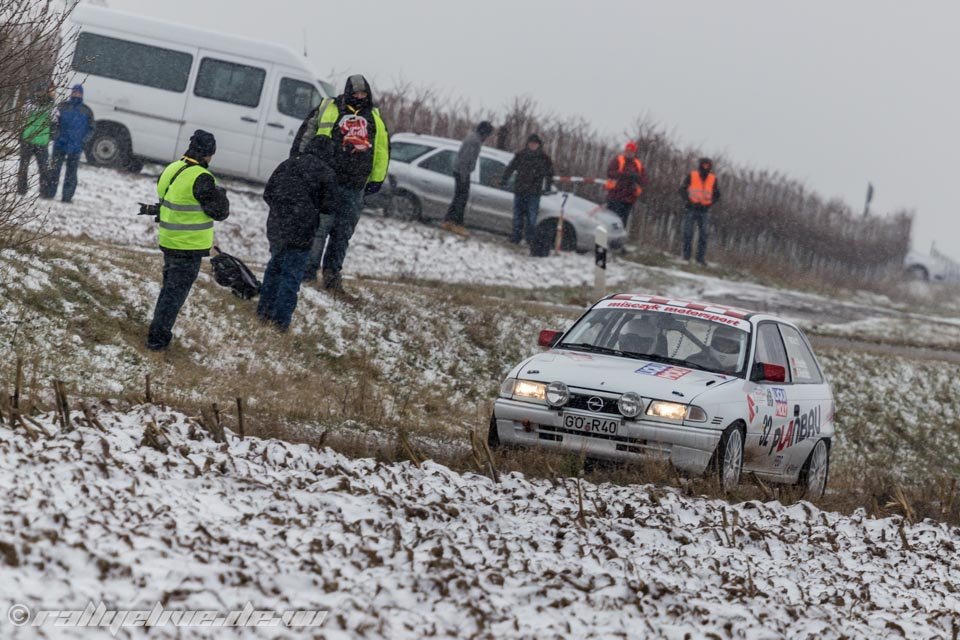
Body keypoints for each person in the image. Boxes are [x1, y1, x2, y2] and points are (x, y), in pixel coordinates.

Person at [293, 74, 390, 294]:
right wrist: (299, 163)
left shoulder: (374, 116)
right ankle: (308, 274)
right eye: (356, 93)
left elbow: (382, 150)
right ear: (347, 92)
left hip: (355, 186)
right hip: (327, 181)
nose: (359, 97)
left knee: (343, 233)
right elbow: (307, 135)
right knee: (320, 229)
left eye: (363, 93)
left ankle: (332, 276)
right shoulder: (329, 107)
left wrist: (377, 179)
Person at [146, 130, 230, 351]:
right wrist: (221, 195)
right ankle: (157, 340)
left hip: (169, 240)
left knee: (169, 290)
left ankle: (157, 332)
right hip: (188, 245)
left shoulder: (172, 168)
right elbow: (220, 212)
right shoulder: (202, 178)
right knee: (174, 295)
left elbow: (166, 200)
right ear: (208, 154)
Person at [258, 137, 336, 330]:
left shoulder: (287, 164)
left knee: (274, 267)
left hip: (277, 226)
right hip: (303, 230)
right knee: (291, 275)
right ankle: (280, 321)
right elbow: (329, 206)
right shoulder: (326, 173)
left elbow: (268, 193)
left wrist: (282, 210)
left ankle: (263, 311)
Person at [441, 121, 494, 237]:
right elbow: (465, 159)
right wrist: (464, 176)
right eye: (488, 134)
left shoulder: (473, 138)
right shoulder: (474, 141)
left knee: (457, 198)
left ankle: (448, 221)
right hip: (462, 173)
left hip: (460, 171)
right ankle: (457, 224)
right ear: (484, 132)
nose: (488, 137)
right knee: (462, 199)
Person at [501, 133, 554, 248]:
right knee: (517, 217)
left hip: (534, 193)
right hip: (520, 190)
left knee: (531, 218)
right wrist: (504, 180)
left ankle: (529, 239)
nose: (532, 145)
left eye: (535, 144)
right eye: (531, 143)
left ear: (539, 145)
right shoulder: (521, 155)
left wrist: (548, 187)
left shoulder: (544, 158)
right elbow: (510, 167)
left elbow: (549, 174)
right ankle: (516, 237)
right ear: (527, 144)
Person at [46, 84, 95, 203]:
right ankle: (49, 193)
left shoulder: (86, 110)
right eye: (74, 92)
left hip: (76, 146)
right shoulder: (62, 106)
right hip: (60, 143)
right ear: (71, 93)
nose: (76, 94)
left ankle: (67, 197)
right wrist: (56, 135)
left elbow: (91, 128)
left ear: (82, 94)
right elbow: (53, 123)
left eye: (79, 92)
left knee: (71, 173)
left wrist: (83, 141)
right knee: (54, 170)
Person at [678, 157, 721, 265]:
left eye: (707, 165)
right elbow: (682, 189)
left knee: (704, 235)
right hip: (691, 208)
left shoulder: (713, 178)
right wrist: (687, 201)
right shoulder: (692, 175)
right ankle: (686, 256)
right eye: (704, 164)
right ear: (700, 165)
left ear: (710, 166)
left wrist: (710, 203)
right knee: (688, 233)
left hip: (704, 210)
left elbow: (717, 194)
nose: (705, 167)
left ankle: (700, 259)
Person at [17, 84, 57, 197]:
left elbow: (23, 115)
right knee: (43, 169)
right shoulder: (51, 107)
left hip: (28, 139)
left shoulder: (29, 104)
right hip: (41, 141)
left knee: (24, 167)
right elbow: (55, 121)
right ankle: (43, 191)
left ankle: (21, 190)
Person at [605, 141, 647, 230]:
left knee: (621, 223)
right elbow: (610, 173)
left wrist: (636, 178)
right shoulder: (617, 160)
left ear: (634, 152)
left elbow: (644, 180)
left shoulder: (638, 165)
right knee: (609, 221)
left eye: (631, 151)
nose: (629, 152)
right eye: (627, 150)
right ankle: (603, 242)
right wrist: (625, 175)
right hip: (614, 197)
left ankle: (616, 242)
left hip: (628, 200)